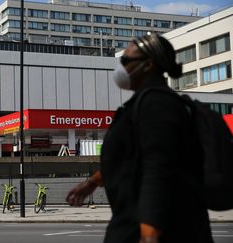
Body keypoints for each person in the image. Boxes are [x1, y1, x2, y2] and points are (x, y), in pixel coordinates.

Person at [66, 33, 213, 243]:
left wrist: (149, 232)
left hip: (154, 230)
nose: (121, 67)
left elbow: (159, 168)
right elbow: (133, 159)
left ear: (147, 65)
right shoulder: (143, 103)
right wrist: (93, 182)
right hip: (134, 223)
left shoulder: (157, 104)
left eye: (126, 61)